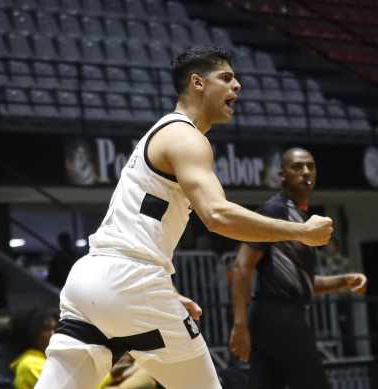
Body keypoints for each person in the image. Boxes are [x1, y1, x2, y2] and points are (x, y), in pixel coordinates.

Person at [34, 47, 333, 389]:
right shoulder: (186, 136)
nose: (237, 86)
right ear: (197, 83)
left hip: (88, 280)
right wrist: (301, 232)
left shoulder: (161, 133)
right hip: (130, 281)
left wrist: (165, 292)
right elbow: (217, 215)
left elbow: (139, 224)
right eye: (226, 78)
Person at [229, 147, 367, 389]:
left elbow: (302, 283)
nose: (305, 172)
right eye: (297, 167)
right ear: (282, 175)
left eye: (310, 166)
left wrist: (344, 280)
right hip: (277, 315)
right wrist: (239, 325)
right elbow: (242, 265)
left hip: (276, 316)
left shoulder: (302, 219)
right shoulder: (276, 210)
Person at [317, 237, 357, 356]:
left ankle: (350, 354)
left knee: (345, 327)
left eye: (330, 245)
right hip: (325, 302)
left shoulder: (343, 262)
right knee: (327, 329)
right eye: (326, 245)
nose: (328, 248)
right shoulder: (320, 262)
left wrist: (342, 291)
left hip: (341, 301)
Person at [10, 306, 58, 389]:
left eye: (54, 328)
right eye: (45, 329)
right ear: (29, 333)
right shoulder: (31, 365)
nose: (53, 335)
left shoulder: (48, 359)